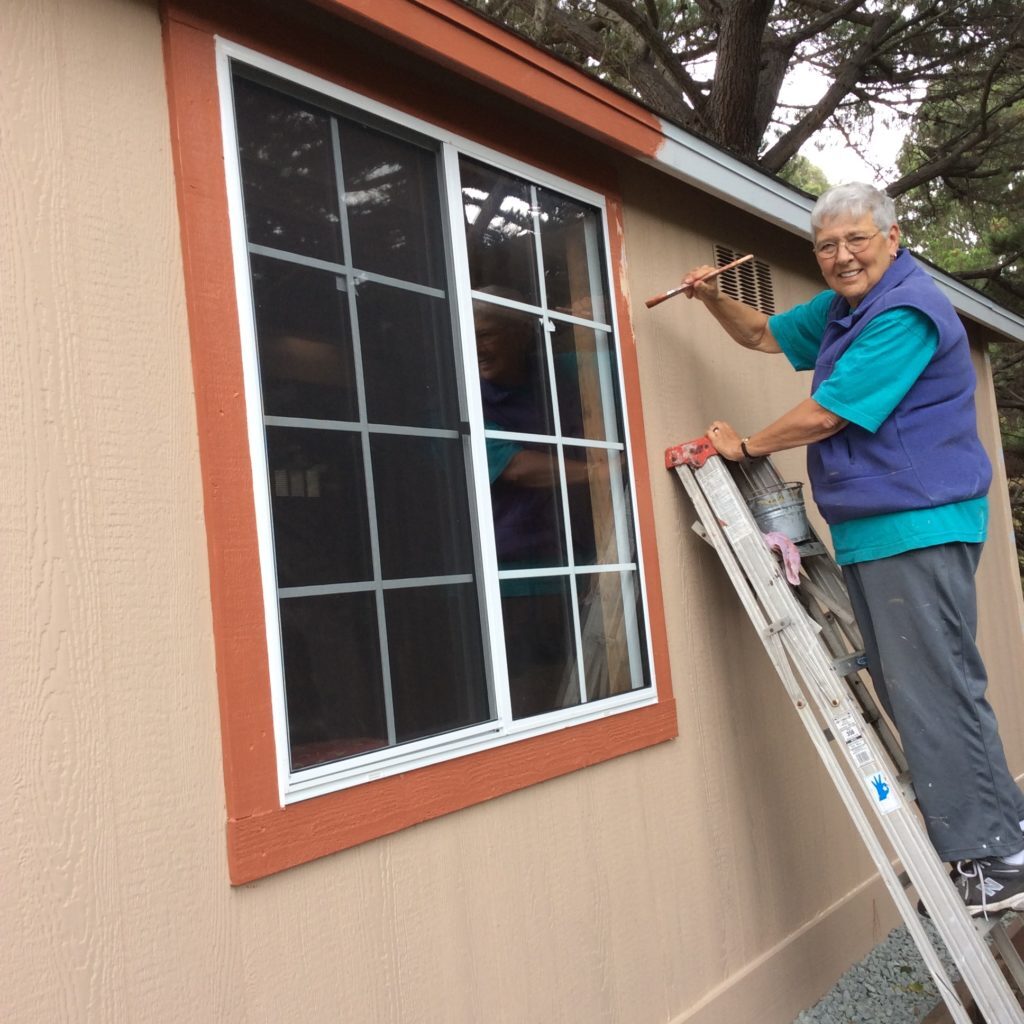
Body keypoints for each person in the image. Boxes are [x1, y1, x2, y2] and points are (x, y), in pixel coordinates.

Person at [681, 181, 1024, 915]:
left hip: (916, 520)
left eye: (856, 240)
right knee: (928, 681)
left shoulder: (904, 312)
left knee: (932, 687)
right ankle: (1006, 841)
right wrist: (711, 297)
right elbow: (762, 335)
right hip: (879, 523)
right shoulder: (845, 310)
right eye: (827, 246)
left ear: (892, 239)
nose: (841, 257)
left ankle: (993, 861)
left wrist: (747, 445)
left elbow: (830, 415)